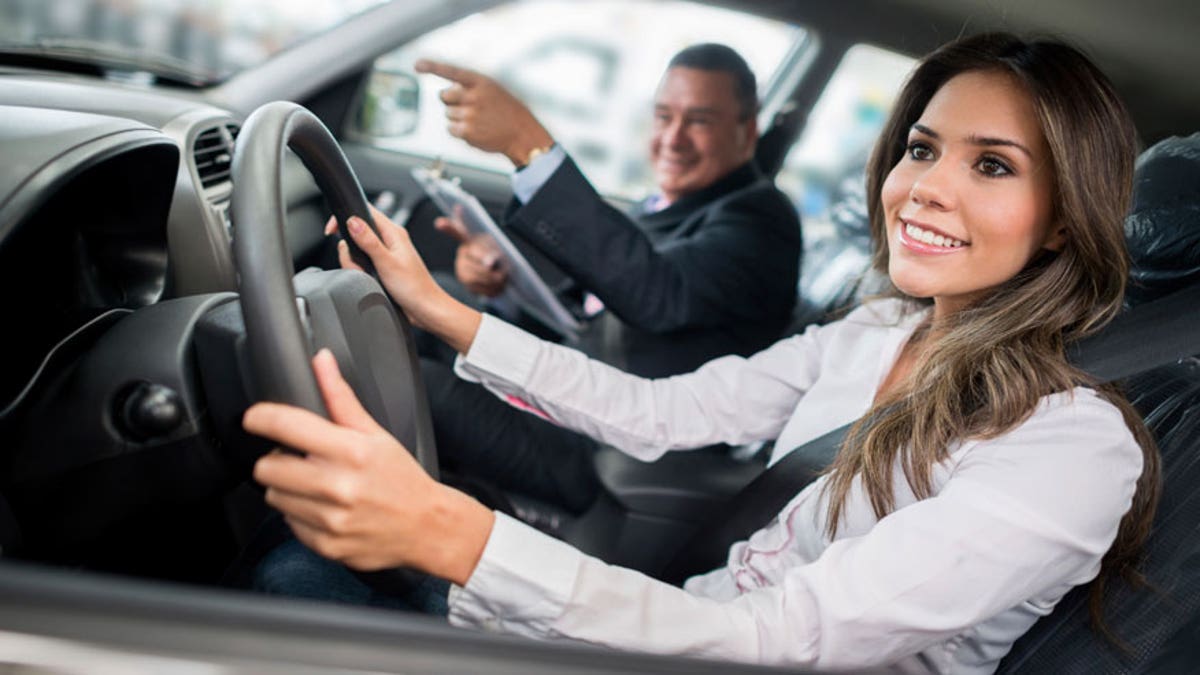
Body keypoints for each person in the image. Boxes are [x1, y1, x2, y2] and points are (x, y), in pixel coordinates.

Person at [245, 33, 1161, 671]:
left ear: (1061, 221)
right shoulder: (877, 331)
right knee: (296, 567)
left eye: (992, 165)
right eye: (920, 149)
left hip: (720, 649)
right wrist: (441, 311)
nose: (923, 189)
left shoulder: (1074, 447)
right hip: (676, 621)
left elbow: (782, 641)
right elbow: (663, 412)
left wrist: (451, 531)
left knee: (293, 591)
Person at [408, 43, 801, 513]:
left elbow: (656, 293)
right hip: (567, 383)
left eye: (698, 120)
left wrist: (527, 146)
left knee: (417, 382)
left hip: (611, 443)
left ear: (747, 130)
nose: (672, 138)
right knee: (427, 305)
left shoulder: (760, 221)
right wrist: (503, 288)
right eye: (663, 116)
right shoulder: (663, 206)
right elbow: (580, 315)